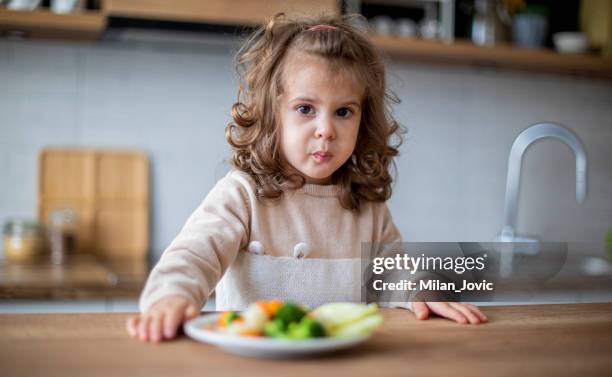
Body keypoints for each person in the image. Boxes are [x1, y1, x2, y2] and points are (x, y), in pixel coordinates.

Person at [127, 14, 487, 343]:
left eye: (344, 111)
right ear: (273, 114)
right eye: (305, 109)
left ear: (363, 121)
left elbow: (393, 276)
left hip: (343, 373)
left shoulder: (369, 207)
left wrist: (419, 292)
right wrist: (171, 295)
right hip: (253, 371)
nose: (326, 130)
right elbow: (195, 255)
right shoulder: (242, 195)